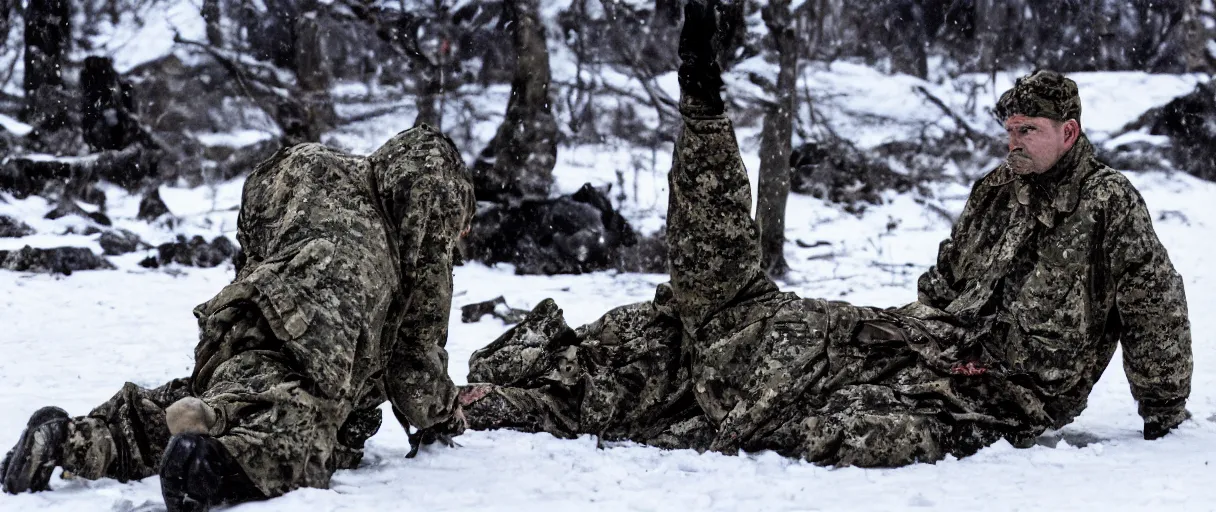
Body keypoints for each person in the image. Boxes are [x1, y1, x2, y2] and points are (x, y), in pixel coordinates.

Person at [457, 0, 1193, 467]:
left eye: (1028, 131)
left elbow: (1156, 305)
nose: (1013, 143)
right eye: (1007, 130)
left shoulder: (1108, 205)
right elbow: (945, 279)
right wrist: (923, 325)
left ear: (1070, 132)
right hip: (928, 340)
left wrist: (1162, 409)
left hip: (1003, 391)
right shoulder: (997, 190)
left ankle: (705, 130)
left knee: (812, 411)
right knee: (757, 328)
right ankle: (703, 120)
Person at [1, 124, 476, 511]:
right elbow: (414, 368)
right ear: (442, 200)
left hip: (243, 311)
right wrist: (443, 415)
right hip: (310, 352)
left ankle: (73, 437)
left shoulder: (316, 165)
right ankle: (205, 465)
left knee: (216, 392)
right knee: (295, 441)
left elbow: (256, 202)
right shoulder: (417, 246)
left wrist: (266, 285)